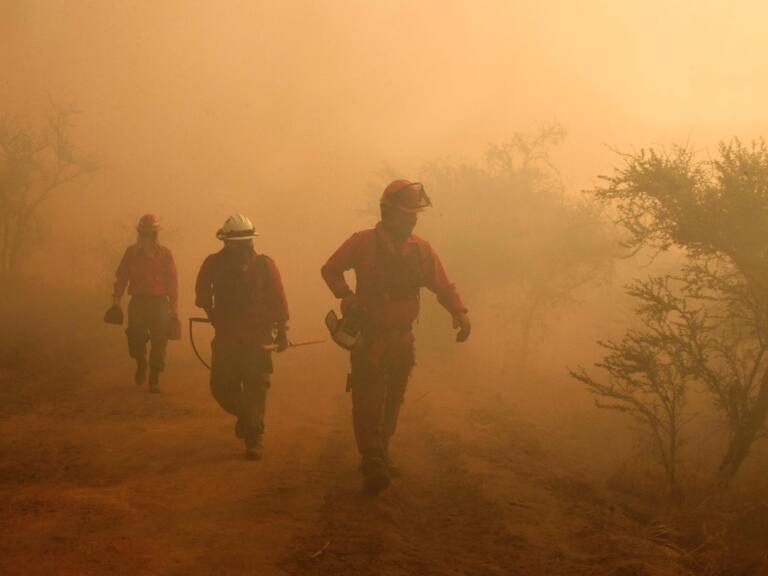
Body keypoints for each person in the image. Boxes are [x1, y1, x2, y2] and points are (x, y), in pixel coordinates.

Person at [321, 180, 471, 493]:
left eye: (414, 214)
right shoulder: (361, 243)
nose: (412, 219)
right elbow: (331, 269)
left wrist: (459, 312)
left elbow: (442, 285)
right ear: (387, 212)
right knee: (368, 397)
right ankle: (372, 456)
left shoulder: (421, 250)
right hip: (369, 339)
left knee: (393, 399)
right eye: (406, 214)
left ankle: (381, 449)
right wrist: (345, 296)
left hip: (402, 340)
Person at [195, 214, 289, 460]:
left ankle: (254, 439)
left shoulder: (265, 265)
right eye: (240, 242)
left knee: (256, 388)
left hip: (257, 340)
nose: (244, 247)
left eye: (246, 242)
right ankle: (249, 418)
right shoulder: (213, 264)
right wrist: (212, 313)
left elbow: (277, 299)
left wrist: (282, 331)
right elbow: (203, 293)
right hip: (227, 339)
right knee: (221, 388)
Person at [112, 213, 178, 394]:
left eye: (151, 233)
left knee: (160, 340)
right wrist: (116, 300)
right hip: (138, 302)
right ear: (140, 233)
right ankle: (141, 362)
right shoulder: (131, 253)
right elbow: (121, 277)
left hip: (159, 303)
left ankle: (154, 377)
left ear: (156, 234)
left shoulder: (165, 254)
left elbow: (172, 281)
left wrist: (173, 308)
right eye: (144, 233)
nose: (148, 236)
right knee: (135, 337)